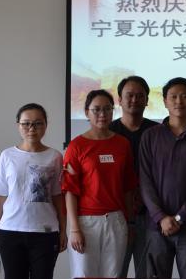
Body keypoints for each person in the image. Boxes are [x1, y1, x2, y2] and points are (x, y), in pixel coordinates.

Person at [139, 77, 186, 279]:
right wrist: (161, 217)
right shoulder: (150, 136)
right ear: (164, 101)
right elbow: (145, 181)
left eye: (184, 96)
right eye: (173, 97)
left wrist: (180, 217)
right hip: (157, 226)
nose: (178, 101)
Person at [62, 89, 137, 278]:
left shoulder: (122, 144)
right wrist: (74, 228)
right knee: (84, 275)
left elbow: (128, 187)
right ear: (87, 112)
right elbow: (69, 190)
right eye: (96, 109)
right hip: (86, 222)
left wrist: (130, 222)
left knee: (113, 275)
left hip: (116, 221)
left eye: (107, 109)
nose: (102, 114)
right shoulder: (76, 146)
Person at [0, 103, 66, 279]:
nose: (32, 128)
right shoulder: (7, 155)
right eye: (26, 123)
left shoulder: (55, 157)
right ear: (18, 125)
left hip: (45, 233)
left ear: (46, 125)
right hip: (10, 231)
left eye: (38, 123)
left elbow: (58, 196)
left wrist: (63, 230)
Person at [109, 76, 159, 279]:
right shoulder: (108, 132)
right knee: (115, 272)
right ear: (119, 100)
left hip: (150, 215)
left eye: (140, 96)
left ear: (147, 100)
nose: (134, 100)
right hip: (116, 215)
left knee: (147, 273)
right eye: (129, 95)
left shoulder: (158, 132)